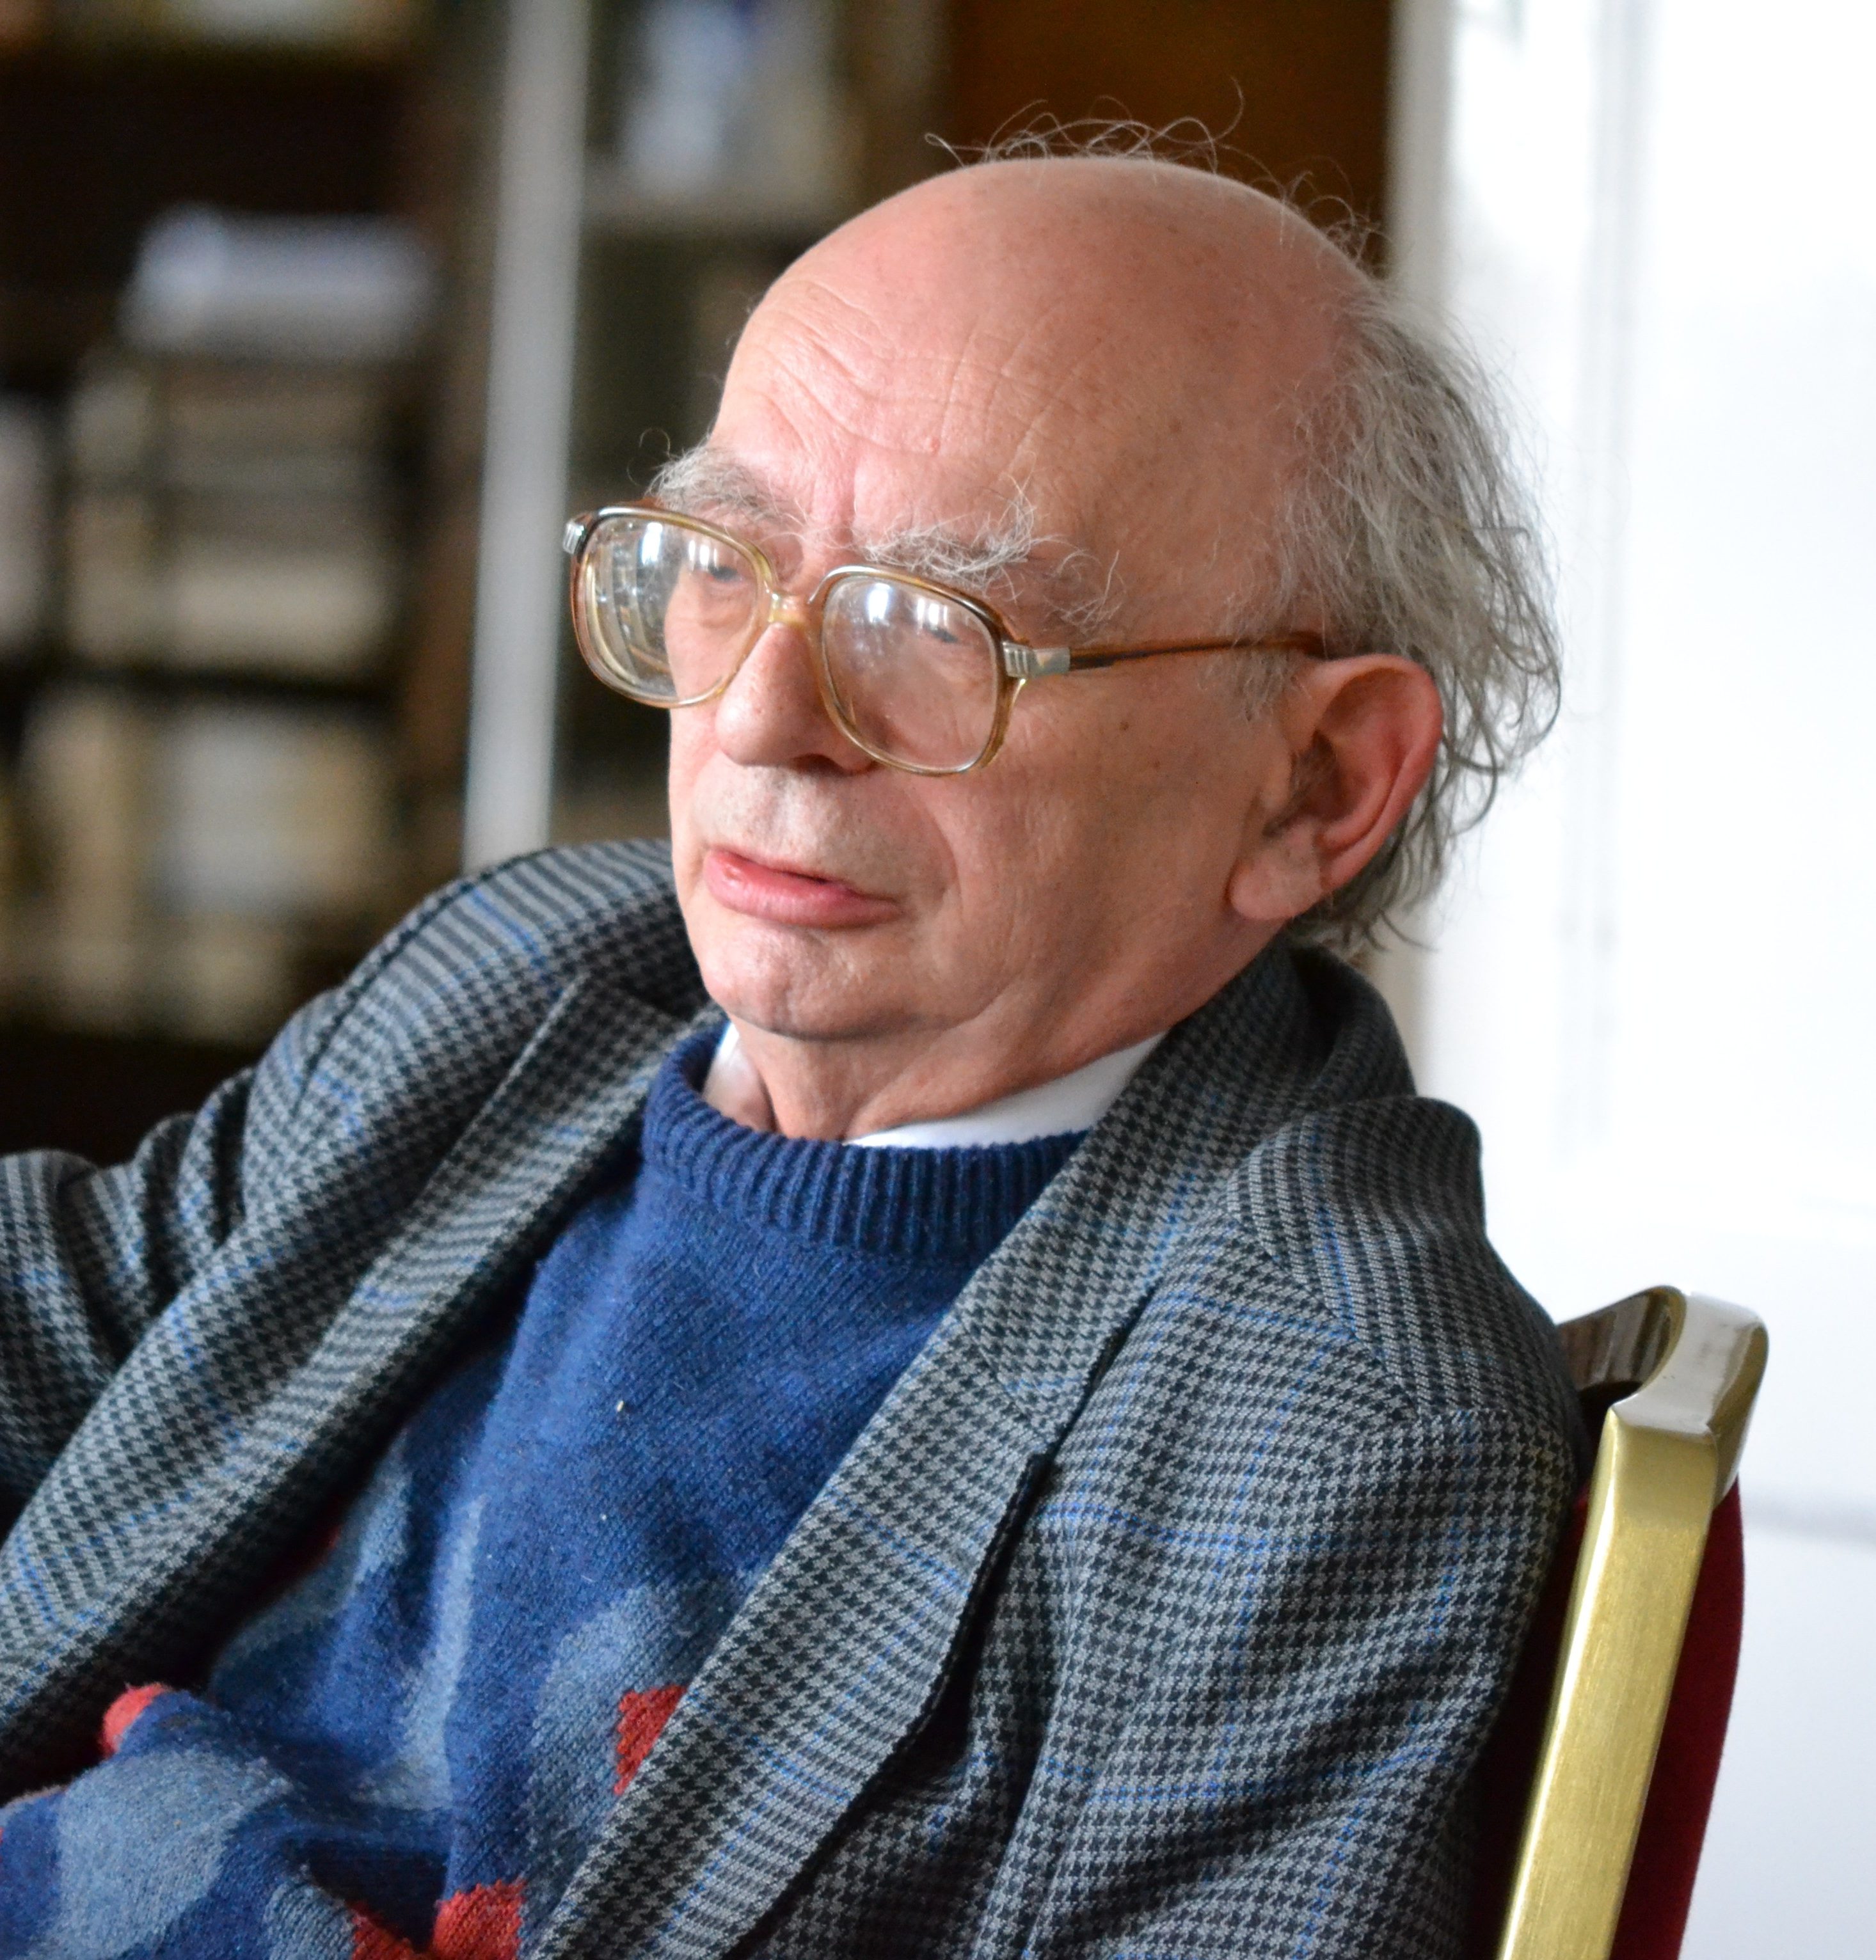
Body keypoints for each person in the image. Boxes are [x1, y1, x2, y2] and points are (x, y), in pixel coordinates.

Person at [0, 147, 1582, 1958]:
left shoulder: (1325, 1428)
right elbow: (58, 1324)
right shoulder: (526, 980)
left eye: (935, 627)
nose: (756, 714)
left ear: (1315, 785)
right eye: (721, 565)